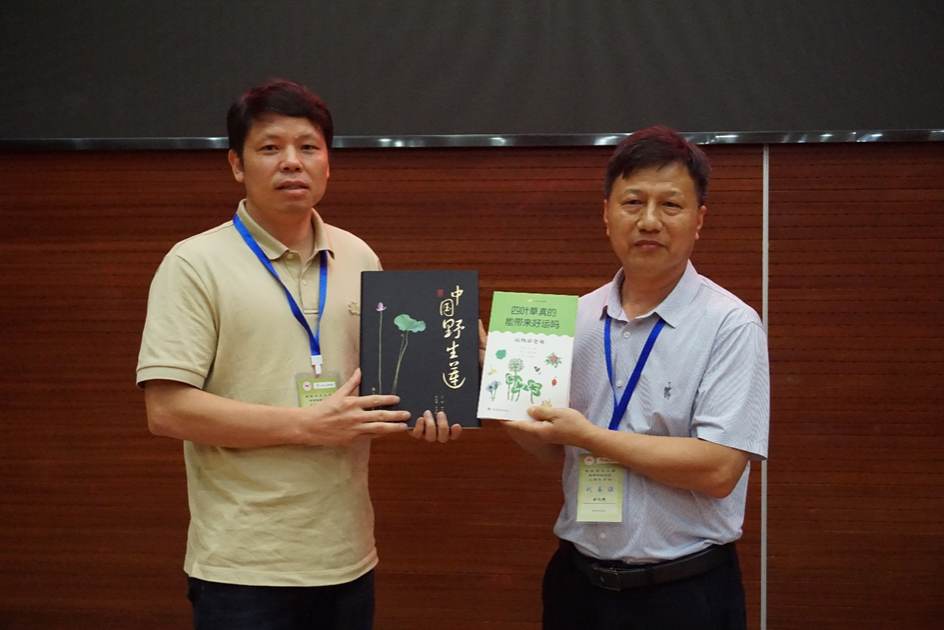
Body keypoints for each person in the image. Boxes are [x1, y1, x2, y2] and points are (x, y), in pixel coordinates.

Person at [136, 78, 459, 630]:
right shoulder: (194, 264)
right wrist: (307, 425)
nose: (292, 161)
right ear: (236, 165)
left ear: (328, 164)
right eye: (270, 147)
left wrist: (438, 398)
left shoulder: (358, 255)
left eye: (308, 147)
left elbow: (385, 384)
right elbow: (167, 411)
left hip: (347, 556)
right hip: (243, 566)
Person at [503, 126, 769, 630]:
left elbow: (719, 470)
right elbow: (549, 448)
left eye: (670, 204)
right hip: (577, 584)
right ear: (607, 214)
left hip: (682, 593)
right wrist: (499, 390)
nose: (649, 220)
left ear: (698, 220)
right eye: (632, 202)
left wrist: (590, 436)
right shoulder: (575, 319)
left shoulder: (731, 325)